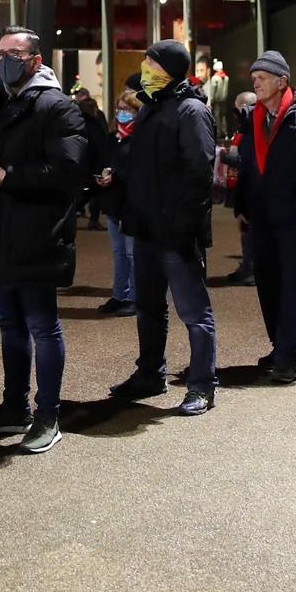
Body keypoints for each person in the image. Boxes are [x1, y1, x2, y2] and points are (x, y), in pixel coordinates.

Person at [0, 26, 87, 454]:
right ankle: (14, 408)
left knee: (42, 326)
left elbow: (67, 174)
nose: (5, 60)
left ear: (36, 59)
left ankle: (47, 415)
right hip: (1, 230)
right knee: (9, 323)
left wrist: (6, 177)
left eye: (14, 53)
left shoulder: (57, 106)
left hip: (38, 233)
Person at [109, 39, 219, 416]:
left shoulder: (190, 110)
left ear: (169, 68)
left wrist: (184, 227)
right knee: (149, 307)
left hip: (176, 230)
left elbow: (199, 174)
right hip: (147, 227)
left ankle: (203, 385)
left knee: (193, 311)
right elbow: (148, 167)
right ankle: (150, 374)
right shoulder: (151, 108)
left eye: (151, 63)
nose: (145, 67)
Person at [234, 50, 296, 383]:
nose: (256, 85)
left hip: (294, 217)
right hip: (261, 215)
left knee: (293, 285)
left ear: (282, 81)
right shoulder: (251, 117)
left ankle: (288, 355)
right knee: (267, 282)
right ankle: (281, 345)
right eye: (254, 80)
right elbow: (248, 166)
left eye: (261, 79)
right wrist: (241, 208)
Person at [96, 87, 140, 315]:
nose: (122, 113)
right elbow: (103, 161)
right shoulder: (112, 138)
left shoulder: (140, 139)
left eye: (127, 109)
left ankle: (135, 297)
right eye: (119, 109)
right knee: (119, 253)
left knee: (133, 253)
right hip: (113, 201)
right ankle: (119, 294)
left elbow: (139, 171)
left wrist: (118, 174)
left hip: (131, 203)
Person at [220, 91, 258, 285]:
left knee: (251, 227)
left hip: (252, 186)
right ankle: (247, 265)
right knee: (244, 226)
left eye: (239, 108)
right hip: (241, 185)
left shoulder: (255, 128)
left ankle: (252, 268)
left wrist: (225, 157)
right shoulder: (244, 127)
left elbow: (250, 160)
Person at [77, 96, 109, 230]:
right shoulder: (96, 126)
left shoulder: (75, 124)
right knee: (95, 193)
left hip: (80, 165)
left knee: (84, 193)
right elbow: (100, 147)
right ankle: (94, 220)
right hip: (92, 165)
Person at [206, 59, 232, 139]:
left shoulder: (215, 78)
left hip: (217, 101)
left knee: (216, 116)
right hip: (224, 100)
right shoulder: (226, 78)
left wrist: (211, 99)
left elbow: (213, 90)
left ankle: (218, 133)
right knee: (223, 116)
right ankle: (225, 132)